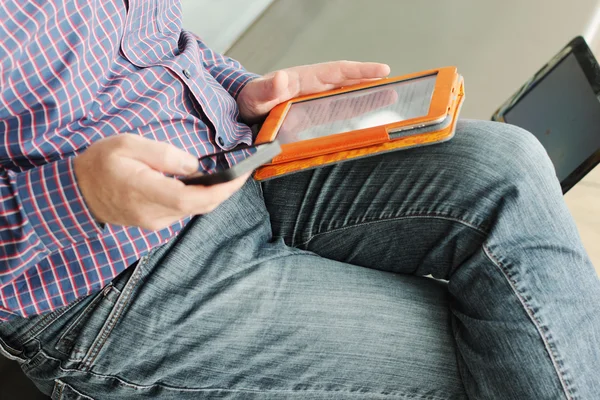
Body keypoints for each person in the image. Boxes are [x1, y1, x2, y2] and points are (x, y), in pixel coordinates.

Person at [1, 1, 598, 399]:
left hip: (243, 157)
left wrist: (241, 90)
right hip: (110, 277)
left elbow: (147, 41)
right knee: (498, 353)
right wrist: (80, 196)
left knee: (508, 164)